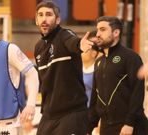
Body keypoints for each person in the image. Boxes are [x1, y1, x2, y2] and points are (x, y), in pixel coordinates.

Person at [34, 1, 94, 135]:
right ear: (36, 20)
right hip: (48, 115)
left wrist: (80, 45)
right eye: (40, 15)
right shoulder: (38, 47)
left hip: (72, 113)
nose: (44, 19)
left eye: (49, 15)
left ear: (58, 19)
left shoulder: (65, 35)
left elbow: (73, 42)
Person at [88, 16, 147, 135]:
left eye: (103, 29)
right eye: (98, 29)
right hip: (106, 128)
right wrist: (89, 126)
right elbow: (95, 96)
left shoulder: (130, 57)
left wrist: (130, 123)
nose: (98, 34)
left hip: (130, 127)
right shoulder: (99, 62)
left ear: (116, 33)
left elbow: (137, 92)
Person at [82, 30, 99, 107]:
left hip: (92, 111)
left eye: (86, 50)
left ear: (94, 53)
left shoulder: (98, 71)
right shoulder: (76, 68)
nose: (82, 52)